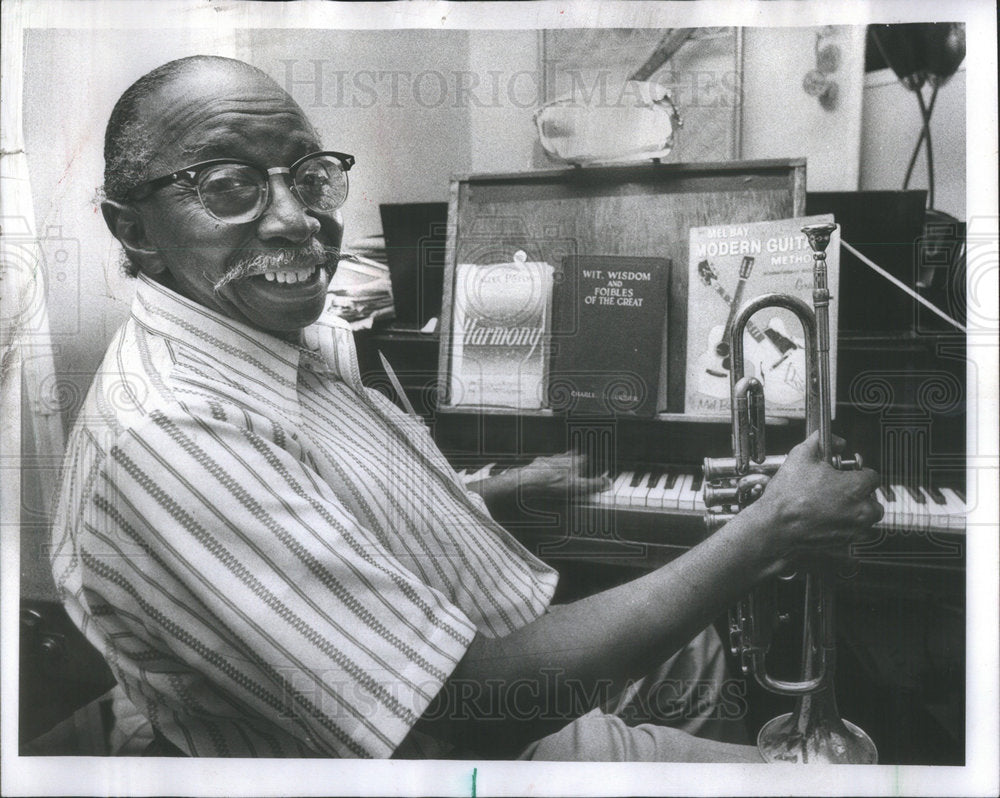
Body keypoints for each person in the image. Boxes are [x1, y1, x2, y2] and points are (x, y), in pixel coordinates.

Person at [50, 56, 883, 761]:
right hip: (487, 739)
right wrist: (768, 533)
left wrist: (500, 498)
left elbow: (331, 525)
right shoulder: (170, 435)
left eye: (309, 178)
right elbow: (454, 715)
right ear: (135, 229)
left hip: (507, 644)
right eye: (228, 186)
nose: (300, 221)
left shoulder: (265, 334)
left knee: (701, 660)